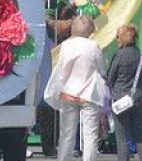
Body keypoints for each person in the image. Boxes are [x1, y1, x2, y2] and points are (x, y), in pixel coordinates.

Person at [44, 14, 109, 161]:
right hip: (89, 93)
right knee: (90, 133)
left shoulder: (66, 45)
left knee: (66, 132)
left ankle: (63, 158)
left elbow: (61, 69)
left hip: (68, 92)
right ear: (90, 30)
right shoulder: (94, 46)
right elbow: (102, 70)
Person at [107, 24, 142, 161]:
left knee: (122, 136)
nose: (117, 39)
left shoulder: (119, 55)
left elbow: (110, 78)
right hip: (137, 97)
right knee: (141, 135)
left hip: (120, 98)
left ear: (123, 38)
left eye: (118, 37)